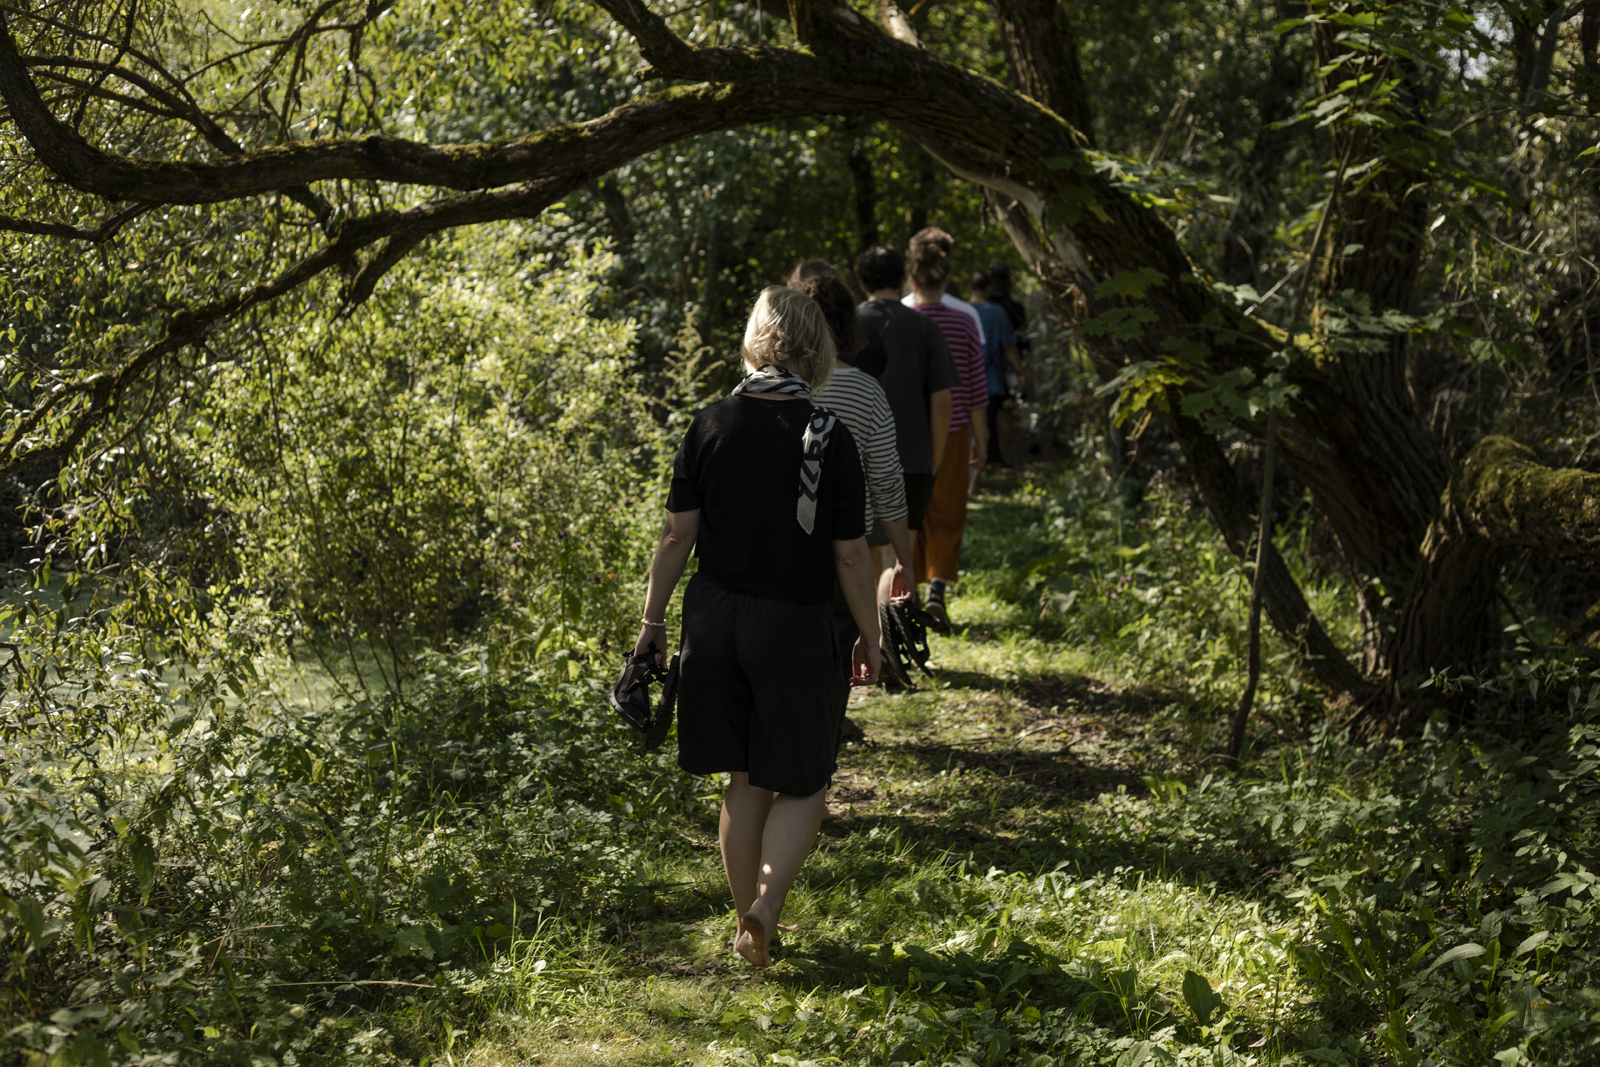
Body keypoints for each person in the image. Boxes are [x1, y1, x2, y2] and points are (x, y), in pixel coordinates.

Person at [633, 286, 882, 968]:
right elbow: (853, 554)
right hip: (795, 626)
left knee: (745, 778)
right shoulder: (831, 435)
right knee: (803, 780)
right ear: (819, 350)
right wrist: (871, 633)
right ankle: (766, 910)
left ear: (754, 342)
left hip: (713, 621)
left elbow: (675, 536)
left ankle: (748, 925)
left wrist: (651, 622)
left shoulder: (709, 423)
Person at [855, 244, 959, 610]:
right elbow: (943, 401)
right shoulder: (924, 326)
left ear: (861, 281)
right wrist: (936, 456)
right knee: (901, 556)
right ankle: (892, 641)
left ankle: (867, 646)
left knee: (863, 553)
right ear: (902, 279)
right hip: (913, 459)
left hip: (856, 460)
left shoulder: (844, 326)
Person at [905, 231, 987, 632]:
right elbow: (974, 384)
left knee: (909, 510)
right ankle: (937, 589)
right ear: (946, 273)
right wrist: (982, 439)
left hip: (906, 432)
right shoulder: (965, 318)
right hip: (953, 430)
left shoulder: (901, 315)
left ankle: (909, 593)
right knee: (948, 511)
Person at [968, 271, 1023, 468]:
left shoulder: (962, 311)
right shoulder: (997, 312)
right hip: (992, 377)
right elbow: (1009, 345)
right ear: (988, 288)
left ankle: (976, 462)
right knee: (998, 417)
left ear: (970, 288)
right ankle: (996, 457)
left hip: (966, 378)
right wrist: (1021, 372)